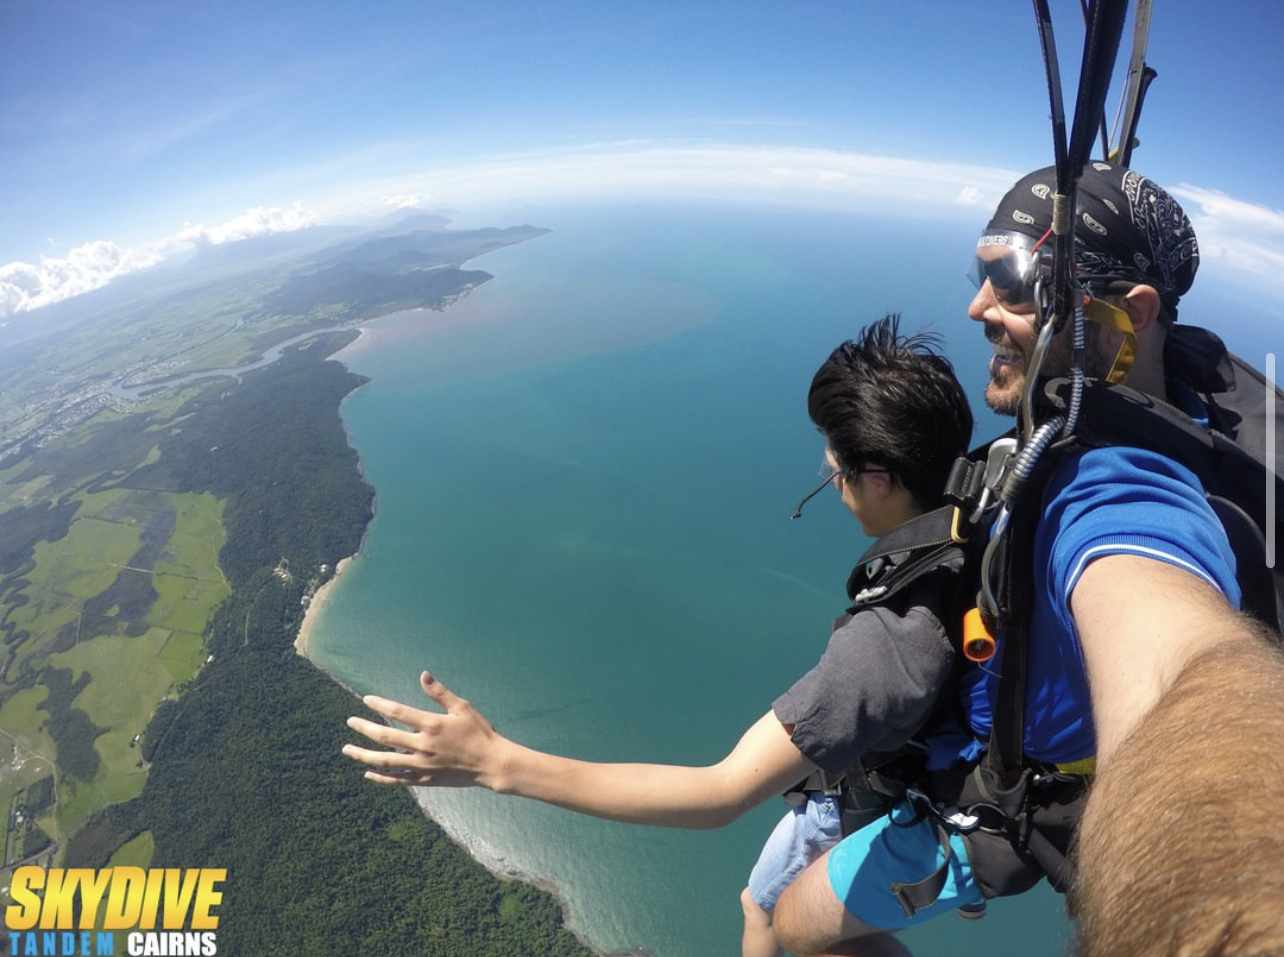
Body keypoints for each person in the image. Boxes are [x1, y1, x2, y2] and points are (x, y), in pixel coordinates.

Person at [769, 163, 1284, 957]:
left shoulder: (1112, 492)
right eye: (981, 274)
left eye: (1012, 282)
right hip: (1005, 762)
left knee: (798, 927)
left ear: (1129, 313)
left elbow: (1180, 668)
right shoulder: (1131, 394)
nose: (978, 305)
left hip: (1014, 808)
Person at [343, 313, 976, 956]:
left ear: (880, 480)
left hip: (876, 800)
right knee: (761, 907)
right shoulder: (977, 527)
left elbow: (718, 795)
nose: (832, 484)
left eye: (834, 475)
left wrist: (496, 764)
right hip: (906, 778)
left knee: (793, 926)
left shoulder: (886, 648)